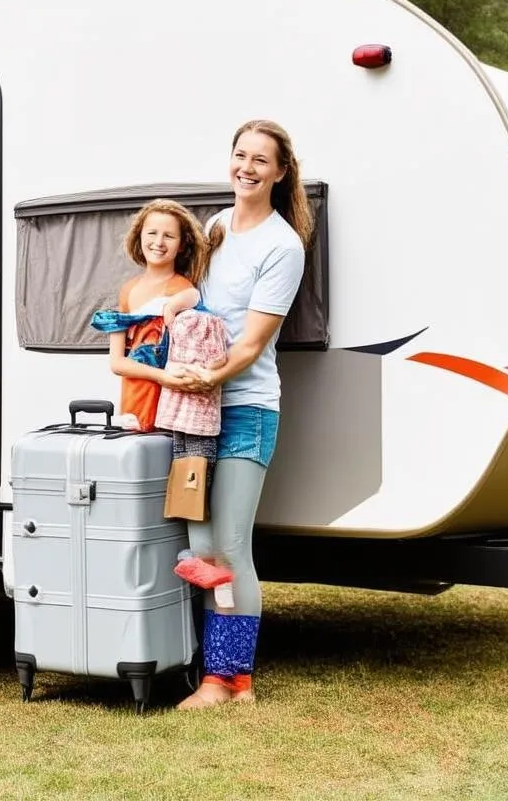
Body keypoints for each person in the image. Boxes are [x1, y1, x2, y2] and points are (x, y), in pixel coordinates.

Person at [165, 119, 312, 709]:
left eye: (261, 160)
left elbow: (251, 344)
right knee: (201, 545)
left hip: (245, 408)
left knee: (229, 542)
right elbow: (202, 302)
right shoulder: (217, 228)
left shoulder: (283, 246)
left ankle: (232, 682)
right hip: (197, 410)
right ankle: (217, 672)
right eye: (240, 155)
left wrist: (209, 376)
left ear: (280, 172)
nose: (247, 167)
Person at [91, 199, 208, 431]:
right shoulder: (128, 290)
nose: (158, 242)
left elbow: (195, 301)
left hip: (169, 403)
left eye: (169, 236)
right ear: (140, 236)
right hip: (134, 397)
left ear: (182, 244)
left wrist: (174, 305)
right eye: (152, 233)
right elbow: (117, 362)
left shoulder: (181, 288)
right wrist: (161, 376)